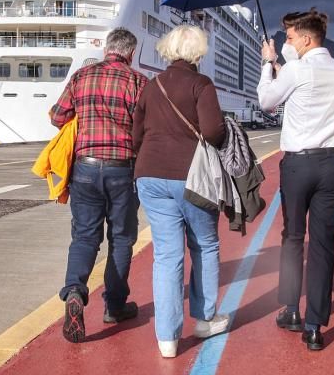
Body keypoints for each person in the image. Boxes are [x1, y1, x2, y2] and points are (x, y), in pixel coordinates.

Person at [133, 25, 229, 358]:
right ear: (198, 53)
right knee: (204, 244)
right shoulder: (201, 84)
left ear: (168, 50)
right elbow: (214, 131)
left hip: (149, 174)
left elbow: (136, 134)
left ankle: (167, 339)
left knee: (166, 255)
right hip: (191, 177)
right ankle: (204, 320)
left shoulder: (151, 85)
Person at [258, 9, 334, 351]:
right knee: (324, 244)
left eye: (292, 37)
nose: (287, 42)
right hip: (330, 164)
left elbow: (267, 101)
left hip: (298, 165)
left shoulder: (295, 69)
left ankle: (290, 309)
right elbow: (304, 87)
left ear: (307, 39)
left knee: (293, 238)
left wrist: (268, 63)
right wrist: (285, 64)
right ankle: (314, 326)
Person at [50, 27, 148, 343]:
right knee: (121, 239)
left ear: (107, 48)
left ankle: (76, 291)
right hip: (122, 169)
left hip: (86, 168)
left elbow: (57, 116)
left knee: (84, 236)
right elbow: (144, 129)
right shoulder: (138, 82)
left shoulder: (81, 76)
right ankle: (114, 307)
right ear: (131, 53)